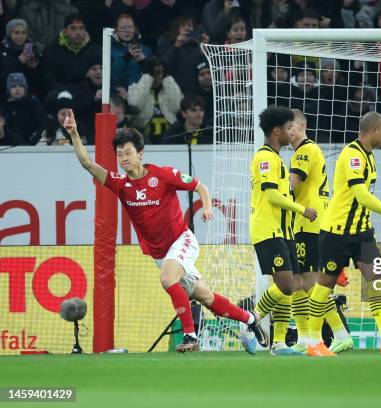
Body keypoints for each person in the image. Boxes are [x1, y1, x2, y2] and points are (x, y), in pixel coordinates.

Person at [62, 110, 266, 354]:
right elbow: (87, 163)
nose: (123, 158)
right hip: (161, 254)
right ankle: (251, 320)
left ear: (140, 154)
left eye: (128, 153)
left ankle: (190, 336)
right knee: (206, 297)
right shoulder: (120, 184)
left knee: (168, 279)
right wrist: (74, 134)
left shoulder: (164, 175)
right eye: (119, 154)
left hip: (182, 241)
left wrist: (208, 208)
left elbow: (200, 186)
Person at [307, 111, 381, 356]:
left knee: (376, 282)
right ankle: (313, 342)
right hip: (337, 233)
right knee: (324, 286)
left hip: (363, 233)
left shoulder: (370, 157)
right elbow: (361, 195)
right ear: (374, 131)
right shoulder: (352, 155)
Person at [249, 106, 317, 355]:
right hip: (267, 230)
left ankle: (278, 343)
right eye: (289, 129)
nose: (292, 133)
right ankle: (251, 322)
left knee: (294, 284)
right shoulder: (265, 157)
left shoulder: (277, 158)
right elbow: (271, 195)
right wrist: (302, 209)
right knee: (287, 284)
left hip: (284, 231)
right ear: (277, 131)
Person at [288, 109, 352, 354]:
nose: (286, 130)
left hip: (309, 223)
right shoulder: (306, 151)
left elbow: (291, 187)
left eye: (289, 125)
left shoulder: (304, 150)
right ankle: (305, 337)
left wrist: (267, 189)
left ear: (301, 125)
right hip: (308, 223)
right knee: (298, 282)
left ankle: (339, 333)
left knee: (310, 283)